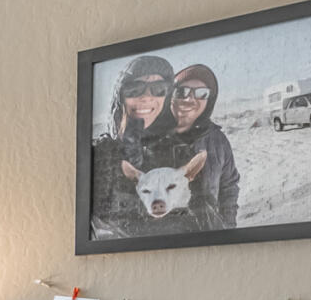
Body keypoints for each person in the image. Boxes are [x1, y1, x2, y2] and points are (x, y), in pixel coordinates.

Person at [89, 54, 174, 235]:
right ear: (120, 97)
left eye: (158, 89)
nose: (146, 97)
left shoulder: (174, 150)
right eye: (135, 89)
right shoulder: (100, 153)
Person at [162, 64, 244, 230]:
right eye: (182, 91)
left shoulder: (217, 140)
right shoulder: (151, 138)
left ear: (209, 101)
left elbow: (229, 186)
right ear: (169, 95)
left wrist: (227, 226)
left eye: (202, 94)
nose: (190, 99)